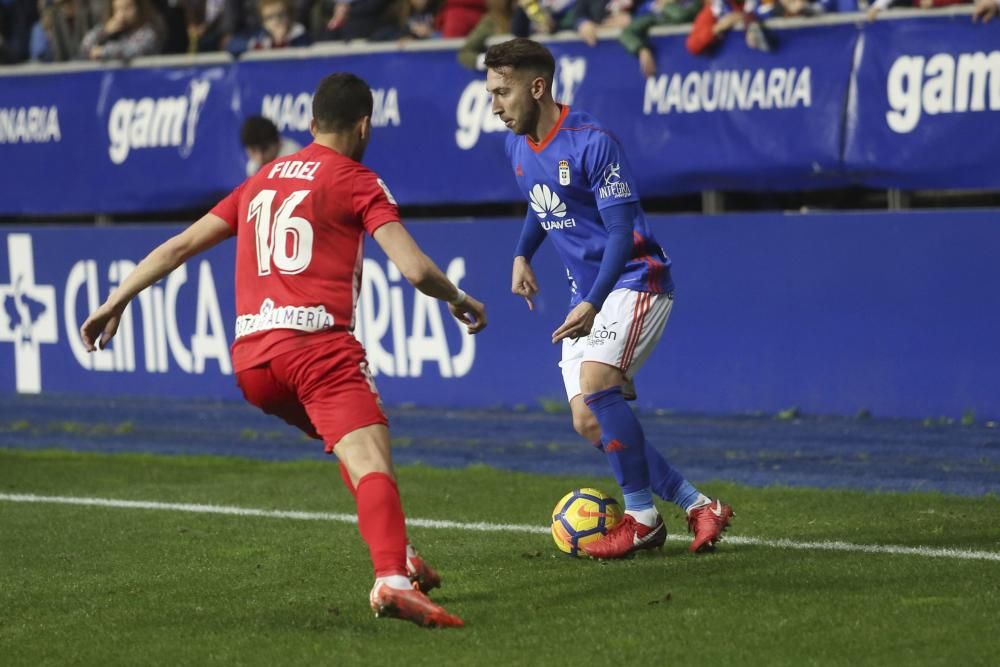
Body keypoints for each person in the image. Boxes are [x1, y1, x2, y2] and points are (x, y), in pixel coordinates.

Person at [80, 72, 485, 628]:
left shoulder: (261, 180)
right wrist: (459, 298)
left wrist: (115, 299)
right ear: (365, 125)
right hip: (317, 348)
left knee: (352, 448)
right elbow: (415, 269)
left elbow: (179, 246)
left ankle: (402, 552)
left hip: (253, 363)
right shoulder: (357, 179)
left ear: (312, 124)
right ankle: (391, 579)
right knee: (370, 459)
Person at [484, 38, 733, 559]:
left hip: (635, 279)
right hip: (589, 292)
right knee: (588, 419)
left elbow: (621, 234)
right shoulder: (516, 143)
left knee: (598, 385)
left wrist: (593, 301)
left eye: (503, 92)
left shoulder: (592, 141)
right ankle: (697, 505)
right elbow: (541, 198)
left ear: (538, 87)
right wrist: (522, 253)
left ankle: (641, 519)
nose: (495, 105)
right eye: (490, 93)